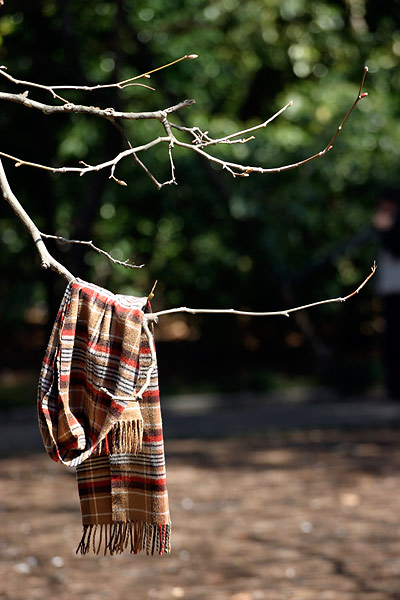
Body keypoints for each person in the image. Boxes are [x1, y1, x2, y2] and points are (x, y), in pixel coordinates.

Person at [373, 187, 400, 398]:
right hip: (390, 293)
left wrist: (385, 230)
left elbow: (396, 248)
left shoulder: (393, 224)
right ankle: (392, 386)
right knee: (391, 341)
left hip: (397, 293)